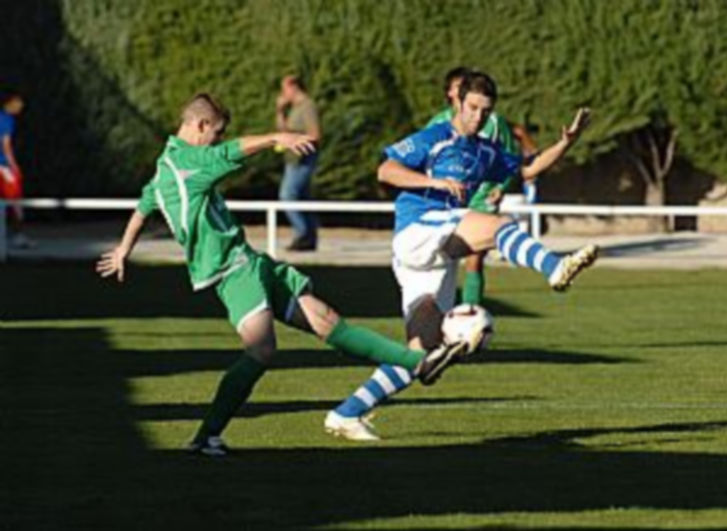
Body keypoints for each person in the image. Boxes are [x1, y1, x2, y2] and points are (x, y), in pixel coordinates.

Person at [96, 93, 470, 456]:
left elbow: (144, 205)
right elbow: (230, 151)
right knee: (260, 350)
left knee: (328, 322)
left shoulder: (168, 167)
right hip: (231, 272)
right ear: (200, 125)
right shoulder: (189, 163)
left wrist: (123, 249)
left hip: (251, 261)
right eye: (216, 132)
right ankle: (205, 437)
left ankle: (420, 363)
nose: (219, 139)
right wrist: (277, 137)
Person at [324, 71, 596, 441]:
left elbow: (529, 169)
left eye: (486, 111)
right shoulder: (435, 137)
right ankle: (553, 266)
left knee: (421, 356)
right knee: (499, 226)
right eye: (472, 108)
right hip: (418, 230)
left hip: (432, 258)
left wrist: (567, 142)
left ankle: (346, 413)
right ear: (457, 102)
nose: (478, 117)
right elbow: (386, 170)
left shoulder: (486, 151)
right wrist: (433, 182)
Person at [426, 67, 538, 305]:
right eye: (456, 87)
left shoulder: (493, 122)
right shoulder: (436, 123)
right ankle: (437, 315)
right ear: (449, 93)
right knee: (438, 258)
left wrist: (502, 188)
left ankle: (470, 315)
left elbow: (509, 160)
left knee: (474, 258)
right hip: (445, 200)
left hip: (481, 197)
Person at [276, 75, 321, 251]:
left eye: (284, 88)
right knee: (302, 197)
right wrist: (279, 111)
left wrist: (298, 141)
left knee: (287, 195)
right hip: (292, 158)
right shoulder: (293, 108)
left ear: (294, 87)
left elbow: (315, 134)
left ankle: (302, 234)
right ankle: (309, 237)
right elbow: (282, 131)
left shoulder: (307, 106)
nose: (282, 93)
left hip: (303, 158)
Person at [0, 90, 31, 248]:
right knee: (15, 201)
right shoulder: (7, 120)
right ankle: (18, 235)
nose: (20, 107)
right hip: (3, 166)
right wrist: (13, 165)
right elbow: (5, 145)